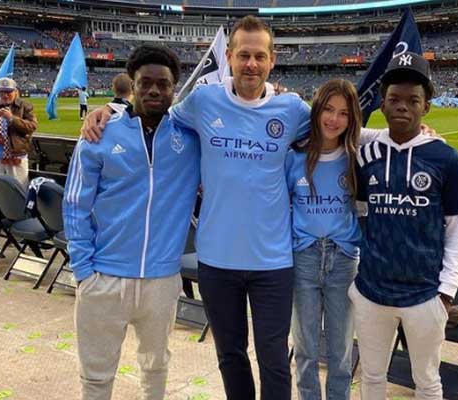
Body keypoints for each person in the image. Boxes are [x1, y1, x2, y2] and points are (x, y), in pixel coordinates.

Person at [83, 16, 311, 400]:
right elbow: (154, 110)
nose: (251, 64)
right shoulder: (205, 101)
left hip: (272, 261)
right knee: (230, 355)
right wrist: (111, 109)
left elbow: (337, 128)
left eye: (259, 56)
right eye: (243, 55)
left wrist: (409, 135)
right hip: (217, 260)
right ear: (229, 56)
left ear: (272, 60)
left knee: (273, 357)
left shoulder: (291, 109)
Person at [63, 44, 200, 400]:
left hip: (161, 280)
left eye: (163, 84)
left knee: (155, 368)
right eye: (145, 83)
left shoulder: (191, 137)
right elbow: (75, 203)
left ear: (174, 88)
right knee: (96, 375)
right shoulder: (99, 135)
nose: (154, 90)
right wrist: (83, 270)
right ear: (133, 85)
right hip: (104, 277)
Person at [349, 52, 458, 400]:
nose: (402, 106)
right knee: (372, 375)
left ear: (426, 107)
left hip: (424, 295)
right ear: (383, 104)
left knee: (427, 382)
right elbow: (360, 213)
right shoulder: (366, 155)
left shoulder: (447, 159)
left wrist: (445, 292)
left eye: (413, 100)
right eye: (394, 99)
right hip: (371, 292)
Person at [285, 78, 362, 400]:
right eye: (328, 110)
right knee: (305, 348)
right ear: (316, 111)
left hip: (343, 260)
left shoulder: (357, 157)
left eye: (343, 113)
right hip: (304, 257)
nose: (334, 119)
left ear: (352, 118)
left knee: (340, 351)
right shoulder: (294, 157)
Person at [0, 77, 37, 187]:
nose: (5, 95)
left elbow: (31, 126)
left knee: (18, 189)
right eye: (2, 92)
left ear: (15, 91)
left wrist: (12, 118)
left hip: (16, 157)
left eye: (8, 92)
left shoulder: (25, 106)